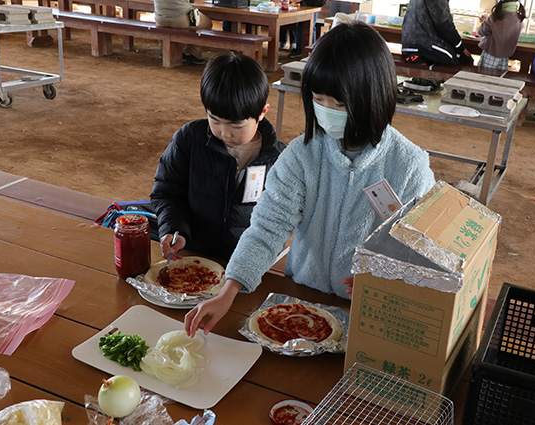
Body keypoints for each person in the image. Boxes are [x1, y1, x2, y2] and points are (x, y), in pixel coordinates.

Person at [185, 22, 436, 335]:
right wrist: (228, 291)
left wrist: (384, 280)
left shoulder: (408, 165)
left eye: (340, 104)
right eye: (319, 99)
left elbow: (421, 251)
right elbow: (267, 227)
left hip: (369, 311)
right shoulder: (302, 156)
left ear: (375, 97)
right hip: (303, 300)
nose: (327, 111)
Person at [151, 53, 286, 262]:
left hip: (245, 266)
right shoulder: (189, 140)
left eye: (236, 125)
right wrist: (173, 228)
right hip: (192, 255)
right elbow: (167, 191)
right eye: (214, 120)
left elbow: (278, 221)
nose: (225, 133)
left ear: (262, 112)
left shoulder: (278, 160)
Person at [401, 0, 474, 65]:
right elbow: (444, 25)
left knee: (458, 56)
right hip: (424, 47)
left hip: (409, 46)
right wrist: (460, 47)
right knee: (464, 60)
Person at [153, 0, 213, 65]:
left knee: (165, 26)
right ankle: (192, 53)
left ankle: (164, 50)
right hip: (182, 19)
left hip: (160, 19)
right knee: (207, 23)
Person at [475, 0, 526, 72]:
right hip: (505, 56)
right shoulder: (519, 19)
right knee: (499, 78)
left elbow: (481, 32)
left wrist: (484, 21)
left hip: (490, 53)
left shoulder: (495, 17)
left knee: (484, 76)